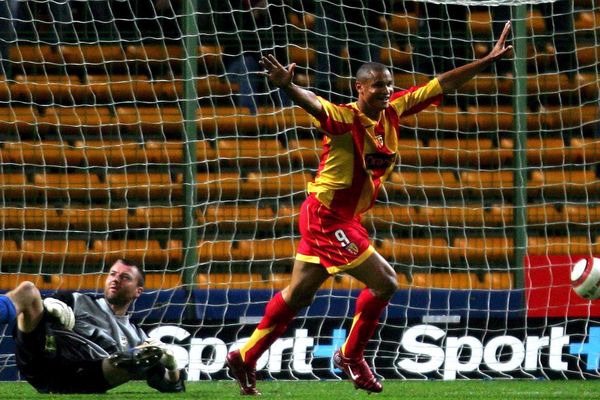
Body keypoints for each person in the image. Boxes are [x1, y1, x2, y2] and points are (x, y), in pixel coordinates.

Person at [225, 21, 513, 395]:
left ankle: (244, 357)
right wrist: (288, 86)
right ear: (359, 88)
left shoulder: (394, 109)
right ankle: (351, 355)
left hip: (337, 216)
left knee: (299, 295)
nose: (386, 90)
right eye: (378, 85)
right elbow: (316, 104)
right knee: (385, 282)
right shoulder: (345, 120)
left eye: (389, 84)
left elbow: (442, 84)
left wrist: (485, 61)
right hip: (328, 217)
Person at [0, 259, 186, 394]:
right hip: (43, 358)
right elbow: (26, 325)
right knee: (27, 290)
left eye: (125, 277)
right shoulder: (77, 300)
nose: (115, 279)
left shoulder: (138, 337)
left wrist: (171, 366)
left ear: (138, 291)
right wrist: (49, 306)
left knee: (138, 356)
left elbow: (171, 386)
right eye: (112, 274)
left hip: (83, 378)